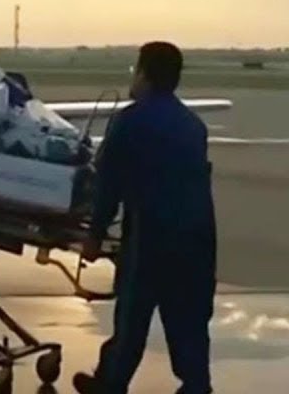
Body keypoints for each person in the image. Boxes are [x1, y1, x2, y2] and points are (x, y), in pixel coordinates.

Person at [74, 42, 215, 394]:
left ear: (145, 75)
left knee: (132, 318)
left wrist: (94, 235)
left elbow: (108, 185)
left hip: (151, 236)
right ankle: (197, 386)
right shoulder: (194, 126)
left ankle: (110, 384)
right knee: (189, 320)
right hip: (198, 236)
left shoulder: (129, 121)